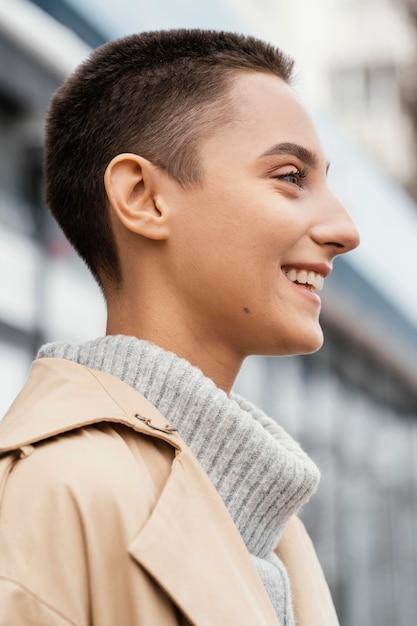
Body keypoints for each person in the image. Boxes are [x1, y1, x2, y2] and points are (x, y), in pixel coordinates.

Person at [0, 29, 359, 625]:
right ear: (142, 197)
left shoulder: (278, 533)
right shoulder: (48, 497)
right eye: (292, 176)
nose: (345, 229)